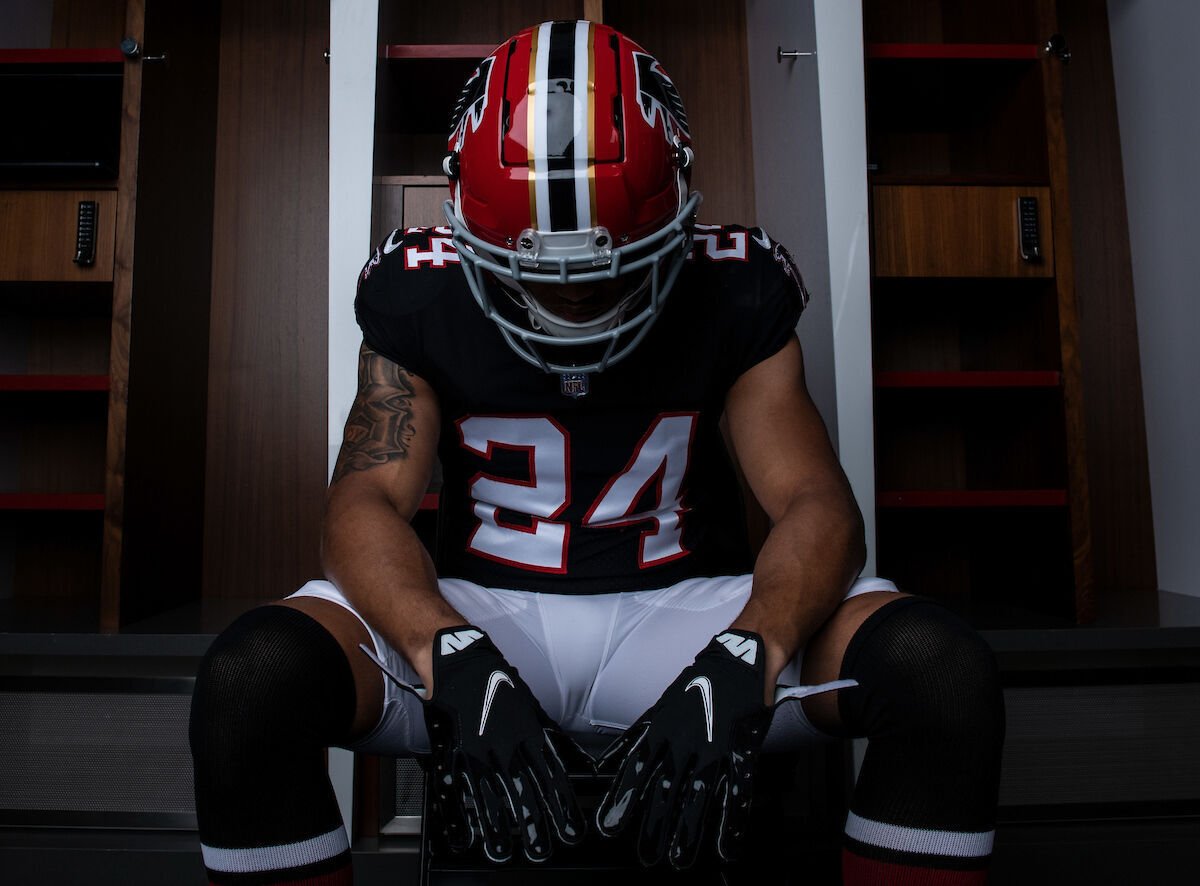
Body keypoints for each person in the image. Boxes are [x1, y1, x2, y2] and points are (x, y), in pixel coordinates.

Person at [189, 20, 1005, 886]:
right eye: (535, 271)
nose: (571, 296)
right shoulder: (416, 290)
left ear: (678, 210)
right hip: (482, 612)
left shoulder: (734, 283)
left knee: (939, 671)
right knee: (252, 679)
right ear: (463, 221)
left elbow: (815, 502)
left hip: (686, 610)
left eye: (605, 268)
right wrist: (446, 652)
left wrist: (750, 651)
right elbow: (362, 506)